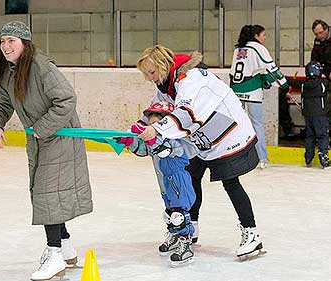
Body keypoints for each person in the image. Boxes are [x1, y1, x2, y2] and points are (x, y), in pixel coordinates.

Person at [0, 21, 93, 281]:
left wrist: (41, 129)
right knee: (46, 192)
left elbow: (66, 99)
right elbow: (2, 102)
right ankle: (65, 247)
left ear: (25, 43)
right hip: (41, 139)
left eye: (12, 41)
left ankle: (54, 253)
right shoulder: (10, 71)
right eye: (3, 41)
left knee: (46, 193)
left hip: (60, 138)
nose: (6, 46)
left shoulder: (42, 67)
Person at [136, 45, 264, 260]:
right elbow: (158, 109)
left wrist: (156, 130)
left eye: (152, 72)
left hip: (227, 133)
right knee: (192, 175)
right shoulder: (167, 82)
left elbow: (187, 113)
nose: (150, 78)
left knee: (231, 182)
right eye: (147, 74)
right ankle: (190, 226)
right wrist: (140, 128)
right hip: (201, 137)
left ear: (162, 66)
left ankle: (252, 234)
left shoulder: (192, 79)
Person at [117, 102, 196, 266]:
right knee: (169, 213)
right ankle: (174, 235)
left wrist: (151, 138)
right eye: (150, 124)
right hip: (164, 183)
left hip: (178, 182)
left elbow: (165, 149)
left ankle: (185, 242)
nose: (151, 128)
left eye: (155, 125)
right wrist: (128, 141)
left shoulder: (176, 139)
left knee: (179, 215)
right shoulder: (152, 141)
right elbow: (143, 150)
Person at [230, 24, 290, 169]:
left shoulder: (238, 49)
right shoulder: (258, 48)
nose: (265, 38)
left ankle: (239, 157)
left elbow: (254, 70)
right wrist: (284, 85)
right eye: (263, 35)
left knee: (239, 126)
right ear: (256, 36)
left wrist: (264, 81)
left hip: (236, 91)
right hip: (252, 91)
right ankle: (262, 158)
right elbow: (270, 68)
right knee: (256, 124)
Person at [287, 62, 331, 168]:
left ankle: (308, 157)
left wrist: (280, 77)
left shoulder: (303, 84)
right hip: (320, 115)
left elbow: (292, 82)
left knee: (310, 136)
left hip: (307, 116)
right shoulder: (323, 83)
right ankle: (323, 156)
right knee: (322, 135)